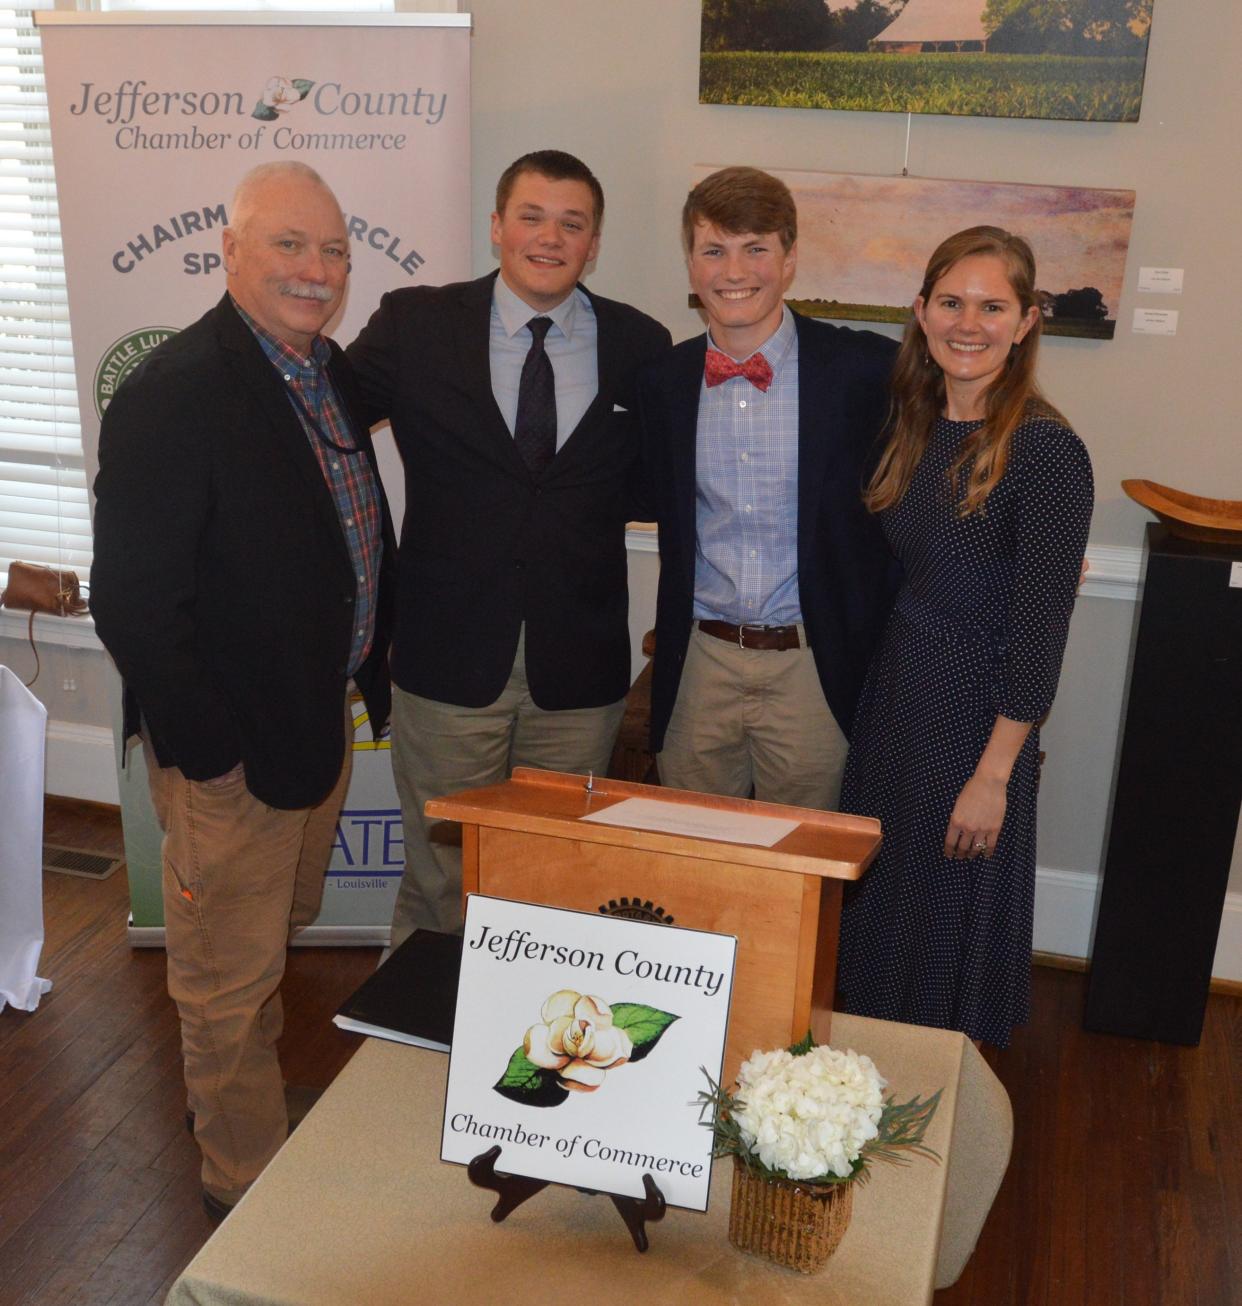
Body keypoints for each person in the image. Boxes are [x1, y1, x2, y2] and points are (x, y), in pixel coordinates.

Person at [90, 161, 396, 1222]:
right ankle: (245, 1189)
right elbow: (131, 601)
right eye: (291, 246)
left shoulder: (324, 371)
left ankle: (238, 1097)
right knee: (222, 977)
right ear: (231, 251)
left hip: (314, 725)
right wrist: (210, 752)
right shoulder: (176, 393)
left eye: (335, 252)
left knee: (271, 934)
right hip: (234, 755)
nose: (317, 271)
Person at [347, 150, 671, 945]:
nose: (549, 237)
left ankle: (535, 1057)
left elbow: (656, 483)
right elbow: (324, 429)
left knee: (553, 882)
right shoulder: (415, 325)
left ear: (593, 243)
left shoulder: (641, 343)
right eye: (531, 216)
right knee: (440, 879)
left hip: (579, 675)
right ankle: (416, 1056)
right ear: (497, 227)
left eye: (572, 223)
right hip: (446, 662)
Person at [835, 225, 1094, 1049]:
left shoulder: (1046, 450)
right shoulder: (915, 425)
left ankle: (930, 1103)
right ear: (920, 311)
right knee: (884, 906)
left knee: (945, 913)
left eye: (992, 306)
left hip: (975, 724)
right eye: (951, 302)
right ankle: (866, 1078)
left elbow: (1041, 630)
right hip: (899, 700)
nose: (968, 323)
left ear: (1025, 323)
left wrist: (995, 776)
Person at [638, 166, 898, 808]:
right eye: (714, 250)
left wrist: (1025, 536)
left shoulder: (864, 371)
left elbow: (961, 435)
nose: (734, 270)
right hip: (700, 663)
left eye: (755, 248)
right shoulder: (662, 384)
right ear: (691, 264)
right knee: (693, 872)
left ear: (789, 259)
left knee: (806, 876)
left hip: (814, 668)